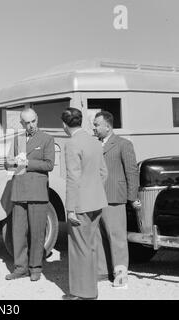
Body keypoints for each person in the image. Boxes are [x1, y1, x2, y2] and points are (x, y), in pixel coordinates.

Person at [61, 107, 108, 300]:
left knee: (79, 248)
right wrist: (94, 190)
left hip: (80, 204)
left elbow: (73, 178)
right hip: (97, 201)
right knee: (90, 246)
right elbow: (104, 173)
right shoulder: (95, 142)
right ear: (80, 121)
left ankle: (83, 293)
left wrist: (70, 208)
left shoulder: (72, 144)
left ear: (64, 125)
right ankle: (92, 288)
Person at [4, 108, 55, 281]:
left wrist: (27, 162)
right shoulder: (17, 139)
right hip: (19, 190)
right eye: (26, 122)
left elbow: (49, 165)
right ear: (21, 123)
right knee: (18, 233)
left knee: (37, 232)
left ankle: (35, 268)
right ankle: (20, 267)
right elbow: (8, 162)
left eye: (33, 121)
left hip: (37, 191)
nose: (30, 125)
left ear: (37, 119)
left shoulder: (47, 139)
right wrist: (9, 162)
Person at [93, 111, 140, 288]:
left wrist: (132, 197)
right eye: (94, 124)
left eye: (97, 124)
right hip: (96, 198)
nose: (94, 127)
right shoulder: (94, 144)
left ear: (108, 126)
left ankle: (120, 275)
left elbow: (131, 171)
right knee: (99, 236)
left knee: (117, 237)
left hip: (114, 197)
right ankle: (103, 271)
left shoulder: (123, 144)